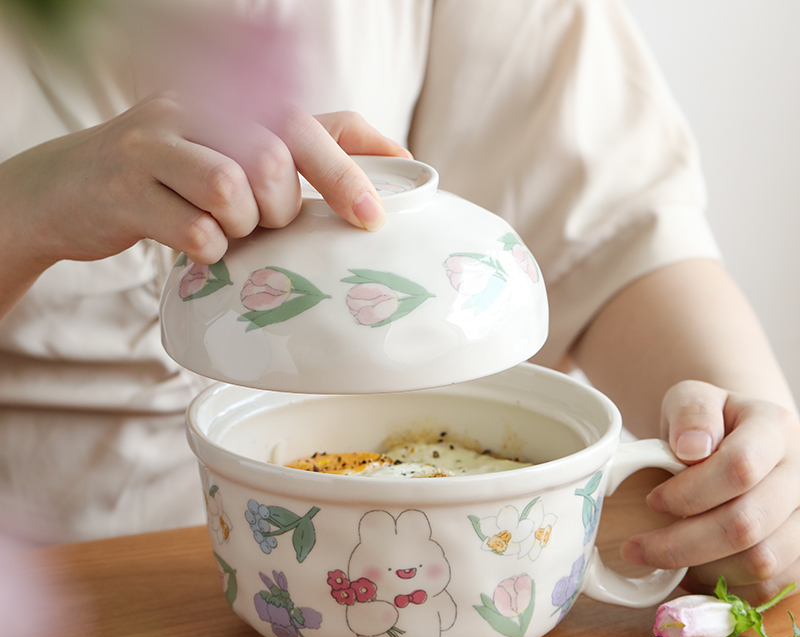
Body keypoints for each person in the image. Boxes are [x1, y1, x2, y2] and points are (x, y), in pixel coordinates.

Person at [0, 0, 797, 606]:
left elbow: (611, 228)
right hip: (35, 607)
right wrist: (29, 209)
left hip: (405, 570)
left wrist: (739, 469)